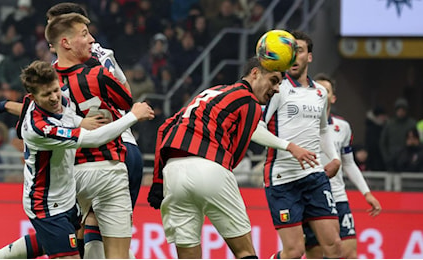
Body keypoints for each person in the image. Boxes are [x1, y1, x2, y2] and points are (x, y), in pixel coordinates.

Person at [147, 56, 319, 259]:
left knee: (188, 255)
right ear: (255, 73)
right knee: (245, 252)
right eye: (273, 81)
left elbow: (165, 127)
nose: (277, 89)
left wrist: (158, 182)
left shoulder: (212, 91)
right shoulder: (250, 102)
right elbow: (235, 155)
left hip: (173, 173)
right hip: (210, 168)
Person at [18, 60, 153, 259]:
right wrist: (132, 117)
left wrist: (80, 121)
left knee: (49, 242)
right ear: (32, 98)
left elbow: (67, 116)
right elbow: (91, 140)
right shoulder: (39, 128)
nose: (55, 98)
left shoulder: (58, 101)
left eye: (56, 90)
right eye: (47, 95)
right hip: (46, 204)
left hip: (68, 196)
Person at [262, 31, 342, 259]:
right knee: (295, 251)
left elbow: (324, 130)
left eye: (298, 50)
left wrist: (334, 158)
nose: (293, 56)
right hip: (283, 179)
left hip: (315, 177)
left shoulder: (319, 93)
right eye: (288, 51)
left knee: (335, 247)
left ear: (309, 57)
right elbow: (257, 127)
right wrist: (290, 147)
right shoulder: (276, 88)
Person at [303, 73, 382, 259]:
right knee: (315, 254)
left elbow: (349, 162)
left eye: (326, 90)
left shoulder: (342, 127)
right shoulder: (301, 125)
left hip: (337, 197)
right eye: (317, 89)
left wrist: (366, 193)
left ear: (332, 97)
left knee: (349, 253)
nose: (321, 93)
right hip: (311, 197)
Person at [379, 97, 417, 171]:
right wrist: (386, 157)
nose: (401, 112)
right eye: (399, 110)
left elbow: (416, 142)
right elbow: (383, 142)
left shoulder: (412, 124)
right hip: (392, 159)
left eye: (403, 110)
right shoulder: (390, 124)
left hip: (407, 160)